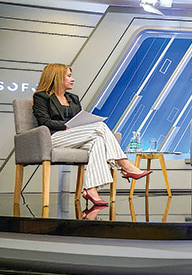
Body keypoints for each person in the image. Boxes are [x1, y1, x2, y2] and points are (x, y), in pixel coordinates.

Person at [32, 63, 152, 217]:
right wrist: (67, 126)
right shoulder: (41, 96)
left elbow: (79, 119)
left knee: (98, 142)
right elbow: (44, 122)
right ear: (56, 77)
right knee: (100, 127)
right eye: (69, 76)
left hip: (77, 137)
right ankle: (125, 165)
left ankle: (91, 190)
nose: (73, 79)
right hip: (54, 138)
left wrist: (80, 125)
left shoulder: (73, 98)